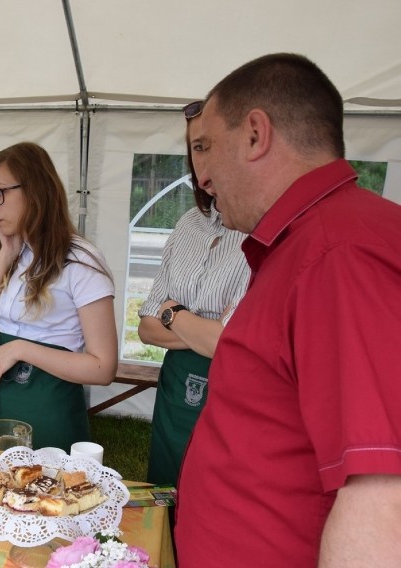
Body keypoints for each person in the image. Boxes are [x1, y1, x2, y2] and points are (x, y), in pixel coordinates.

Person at [175, 53, 401, 567]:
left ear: (256, 134)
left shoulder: (339, 254)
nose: (202, 177)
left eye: (205, 147)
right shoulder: (312, 243)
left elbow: (385, 496)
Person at [0, 142, 118, 452]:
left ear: (35, 190)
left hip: (47, 409)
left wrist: (19, 349)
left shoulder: (80, 260)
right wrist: (5, 255)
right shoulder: (14, 255)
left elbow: (103, 367)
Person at [137, 100, 249, 486]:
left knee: (213, 488)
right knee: (165, 486)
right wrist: (203, 330)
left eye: (212, 145)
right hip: (175, 384)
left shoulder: (264, 231)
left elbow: (225, 345)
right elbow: (147, 329)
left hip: (229, 387)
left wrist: (175, 314)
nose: (204, 161)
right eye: (196, 148)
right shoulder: (189, 223)